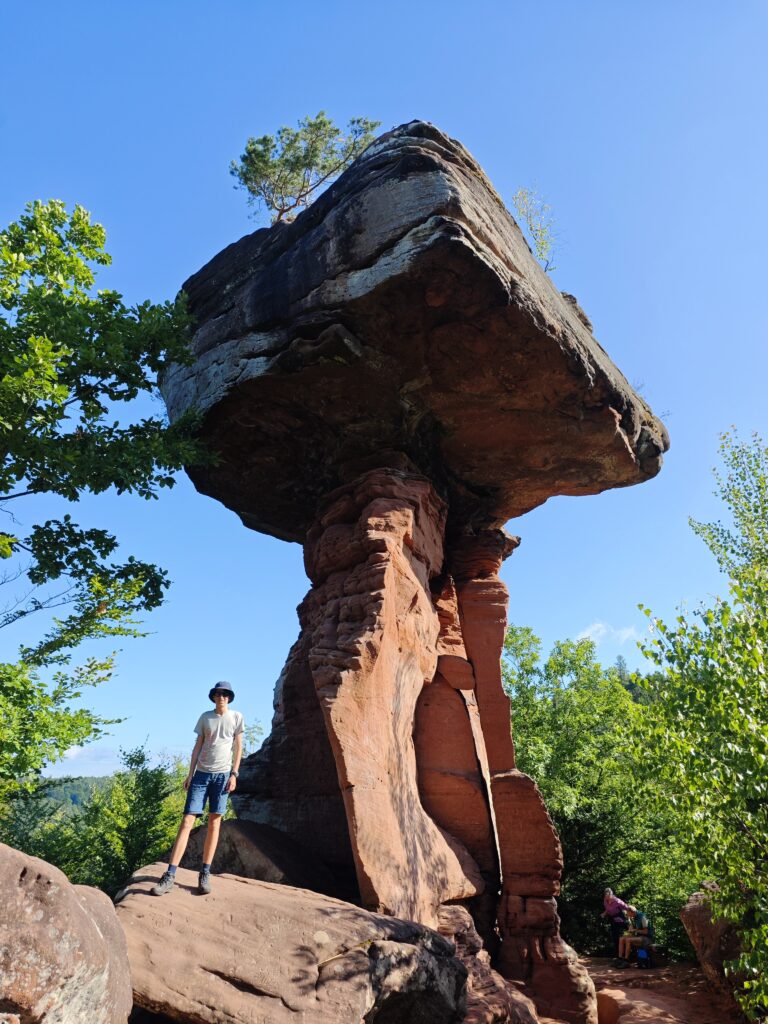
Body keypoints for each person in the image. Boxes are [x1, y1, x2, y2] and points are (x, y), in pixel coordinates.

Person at [152, 682, 244, 896]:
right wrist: (190, 774)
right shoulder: (205, 717)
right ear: (213, 697)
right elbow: (197, 746)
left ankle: (204, 874)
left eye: (225, 694)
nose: (221, 697)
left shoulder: (237, 717)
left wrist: (234, 774)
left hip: (222, 776)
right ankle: (169, 875)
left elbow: (239, 747)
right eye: (218, 694)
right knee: (186, 822)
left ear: (229, 698)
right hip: (201, 775)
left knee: (214, 823)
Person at [600, 887, 636, 956]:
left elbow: (627, 907)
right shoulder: (605, 900)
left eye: (608, 896)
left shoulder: (617, 901)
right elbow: (608, 909)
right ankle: (618, 955)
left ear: (611, 895)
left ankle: (630, 952)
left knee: (627, 931)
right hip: (612, 918)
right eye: (606, 896)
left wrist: (633, 915)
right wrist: (604, 914)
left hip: (620, 917)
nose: (607, 898)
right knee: (615, 936)